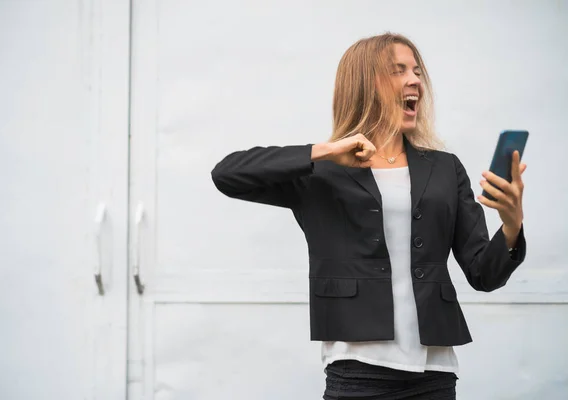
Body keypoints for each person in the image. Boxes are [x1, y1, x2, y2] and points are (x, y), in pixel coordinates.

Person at [211, 33, 526, 400]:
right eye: (399, 71)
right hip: (357, 372)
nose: (415, 80)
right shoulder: (321, 172)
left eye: (417, 71)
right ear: (366, 84)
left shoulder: (445, 168)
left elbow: (483, 274)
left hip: (435, 373)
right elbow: (226, 174)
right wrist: (325, 151)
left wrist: (511, 226)